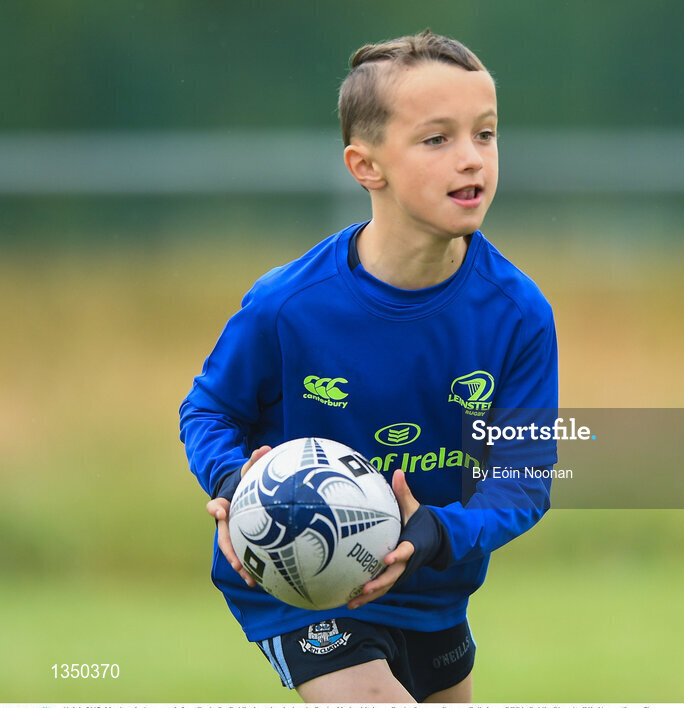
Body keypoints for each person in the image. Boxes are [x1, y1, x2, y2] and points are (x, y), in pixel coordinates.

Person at [179, 29, 558, 703]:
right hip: (300, 586)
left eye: (487, 134)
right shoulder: (287, 305)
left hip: (432, 592)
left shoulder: (519, 314)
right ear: (366, 166)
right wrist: (237, 482)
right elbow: (210, 409)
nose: (472, 159)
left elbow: (523, 481)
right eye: (437, 139)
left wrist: (441, 530)